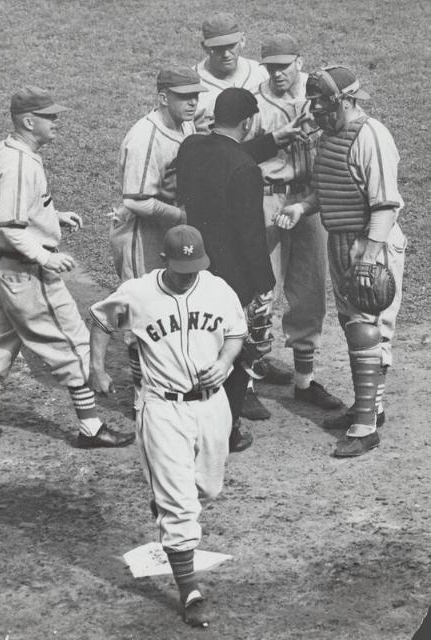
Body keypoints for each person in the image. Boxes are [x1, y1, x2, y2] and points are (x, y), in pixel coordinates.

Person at [0, 85, 135, 450]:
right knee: (73, 342)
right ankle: (91, 428)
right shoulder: (19, 164)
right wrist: (46, 256)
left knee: (0, 340)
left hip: (2, 269)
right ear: (28, 121)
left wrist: (52, 217)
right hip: (25, 273)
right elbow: (9, 224)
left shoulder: (8, 149)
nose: (56, 121)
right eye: (50, 117)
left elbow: (19, 213)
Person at [89, 225, 248, 628]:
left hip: (213, 408)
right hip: (162, 409)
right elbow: (101, 320)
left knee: (207, 489)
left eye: (194, 267)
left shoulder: (217, 289)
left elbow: (236, 333)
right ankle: (190, 590)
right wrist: (96, 369)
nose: (188, 275)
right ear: (164, 260)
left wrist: (226, 362)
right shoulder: (138, 293)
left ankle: (167, 500)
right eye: (181, 269)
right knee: (181, 508)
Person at [277, 66, 406, 457]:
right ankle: (371, 408)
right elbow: (327, 189)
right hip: (341, 241)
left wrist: (367, 255)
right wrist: (302, 206)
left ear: (347, 100)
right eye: (314, 105)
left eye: (324, 105)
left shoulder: (372, 136)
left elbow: (386, 204)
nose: (317, 113)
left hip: (371, 242)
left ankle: (365, 428)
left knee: (367, 329)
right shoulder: (331, 136)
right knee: (356, 327)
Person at [176, 87, 307, 452]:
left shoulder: (191, 149)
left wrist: (269, 142)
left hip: (192, 268)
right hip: (231, 278)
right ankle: (228, 433)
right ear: (248, 121)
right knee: (235, 357)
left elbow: (222, 156)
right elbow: (250, 235)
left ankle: (193, 426)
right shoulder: (246, 171)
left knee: (196, 348)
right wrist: (263, 285)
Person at [249, 34, 342, 411]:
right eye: (271, 67)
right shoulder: (253, 103)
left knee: (310, 288)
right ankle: (248, 385)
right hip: (268, 196)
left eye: (284, 66)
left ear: (299, 62)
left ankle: (304, 382)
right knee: (259, 289)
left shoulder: (320, 96)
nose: (277, 74)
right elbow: (237, 153)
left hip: (310, 200)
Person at [109, 66, 208, 414]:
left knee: (170, 307)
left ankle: (166, 380)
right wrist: (180, 216)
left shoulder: (185, 125)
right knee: (142, 310)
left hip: (164, 232)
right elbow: (134, 200)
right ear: (163, 98)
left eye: (195, 95)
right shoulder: (145, 138)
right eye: (184, 97)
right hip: (140, 235)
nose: (192, 102)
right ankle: (142, 395)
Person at [193, 12, 268, 133]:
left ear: (242, 40)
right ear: (205, 47)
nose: (226, 55)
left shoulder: (261, 73)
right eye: (218, 48)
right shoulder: (191, 84)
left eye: (231, 46)